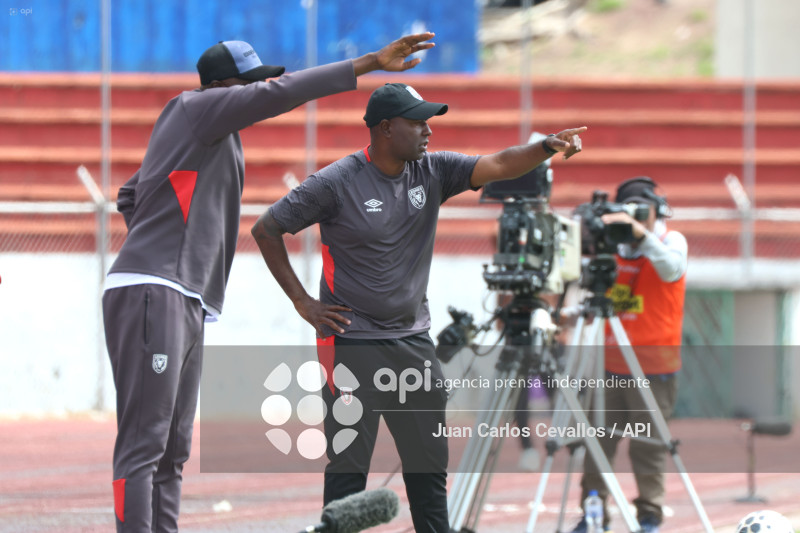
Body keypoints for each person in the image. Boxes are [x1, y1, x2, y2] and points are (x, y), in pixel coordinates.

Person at [102, 33, 438, 533]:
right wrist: (368, 64)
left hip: (182, 291)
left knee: (174, 447)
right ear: (223, 86)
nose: (259, 92)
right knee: (146, 442)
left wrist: (175, 242)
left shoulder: (208, 135)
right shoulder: (196, 108)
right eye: (251, 85)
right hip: (156, 287)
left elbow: (132, 194)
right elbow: (281, 94)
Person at [251, 81, 586, 532]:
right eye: (418, 122)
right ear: (386, 128)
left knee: (429, 467)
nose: (428, 130)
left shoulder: (432, 171)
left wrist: (545, 145)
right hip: (352, 343)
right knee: (349, 466)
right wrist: (302, 302)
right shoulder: (336, 182)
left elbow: (501, 163)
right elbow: (267, 229)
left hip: (413, 341)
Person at [571, 177, 688, 533]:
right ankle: (593, 513)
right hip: (609, 364)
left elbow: (671, 269)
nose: (637, 218)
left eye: (643, 212)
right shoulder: (612, 247)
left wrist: (641, 235)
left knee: (648, 445)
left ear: (657, 210)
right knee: (596, 442)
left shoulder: (671, 240)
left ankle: (650, 514)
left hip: (654, 368)